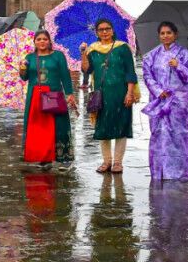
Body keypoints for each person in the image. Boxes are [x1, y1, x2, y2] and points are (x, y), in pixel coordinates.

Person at [141, 21, 188, 181]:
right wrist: (159, 92)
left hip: (179, 104)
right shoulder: (151, 55)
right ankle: (161, 171)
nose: (165, 36)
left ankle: (182, 170)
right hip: (159, 102)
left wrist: (179, 65)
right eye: (162, 33)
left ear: (175, 34)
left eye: (169, 33)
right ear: (159, 36)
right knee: (159, 134)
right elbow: (147, 75)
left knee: (180, 135)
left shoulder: (184, 54)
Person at [81, 19, 138, 175]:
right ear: (97, 32)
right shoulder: (92, 49)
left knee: (121, 127)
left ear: (112, 30)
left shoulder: (123, 48)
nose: (104, 32)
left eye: (107, 29)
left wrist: (130, 92)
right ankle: (107, 161)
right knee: (103, 128)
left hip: (121, 93)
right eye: (101, 29)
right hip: (101, 94)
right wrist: (83, 53)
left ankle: (118, 163)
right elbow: (86, 70)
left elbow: (130, 72)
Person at [19, 30, 76, 168]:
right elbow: (24, 78)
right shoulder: (30, 58)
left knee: (59, 125)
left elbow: (65, 76)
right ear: (34, 42)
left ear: (49, 41)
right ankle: (44, 157)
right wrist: (22, 69)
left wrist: (69, 94)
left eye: (45, 39)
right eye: (38, 39)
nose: (42, 41)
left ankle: (63, 158)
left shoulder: (58, 56)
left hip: (54, 95)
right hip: (35, 97)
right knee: (39, 128)